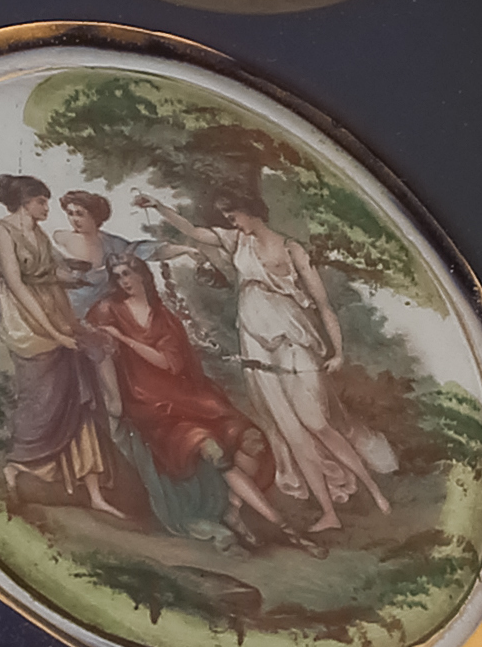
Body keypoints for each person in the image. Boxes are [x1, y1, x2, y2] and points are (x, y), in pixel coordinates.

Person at [137, 191, 392, 533]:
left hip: (292, 338)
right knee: (291, 432)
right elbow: (193, 231)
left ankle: (375, 491)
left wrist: (338, 352)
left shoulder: (291, 249)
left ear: (251, 211)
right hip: (255, 341)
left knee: (316, 423)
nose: (232, 222)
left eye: (234, 215)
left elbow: (322, 304)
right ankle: (328, 513)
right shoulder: (236, 241)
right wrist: (158, 207)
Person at [82, 255, 308, 552]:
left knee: (251, 440)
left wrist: (124, 338)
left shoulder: (164, 318)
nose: (124, 281)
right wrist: (112, 398)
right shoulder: (107, 310)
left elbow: (168, 364)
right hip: (151, 406)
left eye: (128, 273)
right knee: (212, 450)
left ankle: (233, 512)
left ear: (142, 275)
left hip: (188, 397)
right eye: (118, 275)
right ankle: (285, 527)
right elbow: (90, 346)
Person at [0, 175, 116, 514]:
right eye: (41, 201)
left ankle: (93, 491)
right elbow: (18, 285)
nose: (46, 207)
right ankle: (18, 466)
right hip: (27, 323)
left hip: (54, 309)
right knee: (41, 399)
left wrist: (79, 280)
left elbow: (49, 274)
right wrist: (55, 334)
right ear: (25, 201)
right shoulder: (3, 231)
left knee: (78, 387)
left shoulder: (38, 234)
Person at [45, 188, 134, 323]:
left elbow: (150, 250)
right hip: (67, 312)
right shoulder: (59, 240)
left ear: (95, 216)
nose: (74, 219)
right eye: (70, 213)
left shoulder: (114, 244)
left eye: (80, 214)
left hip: (103, 315)